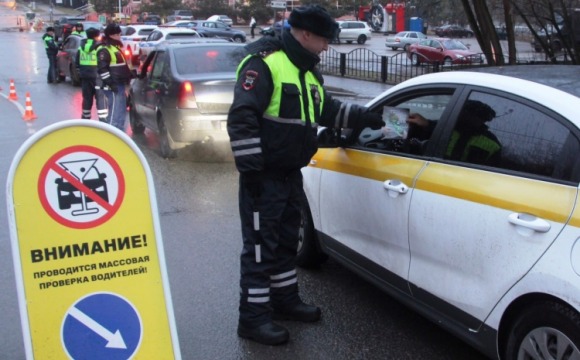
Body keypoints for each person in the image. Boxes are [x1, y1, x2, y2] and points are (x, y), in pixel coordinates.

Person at [227, 5, 384, 346]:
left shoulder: (307, 74)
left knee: (285, 242)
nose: (327, 47)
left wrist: (363, 116)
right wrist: (252, 171)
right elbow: (242, 118)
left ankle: (284, 301)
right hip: (263, 177)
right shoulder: (265, 64)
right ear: (306, 35)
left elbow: (327, 109)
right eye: (325, 40)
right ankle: (252, 320)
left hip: (288, 176)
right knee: (259, 249)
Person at [407, 99, 501, 165]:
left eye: (463, 113)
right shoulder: (445, 129)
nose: (459, 116)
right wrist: (426, 123)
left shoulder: (492, 144)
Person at [97, 23, 133, 131]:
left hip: (118, 85)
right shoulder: (105, 49)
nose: (119, 37)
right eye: (118, 35)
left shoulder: (115, 48)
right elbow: (102, 69)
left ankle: (119, 135)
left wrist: (131, 75)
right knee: (114, 115)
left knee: (120, 113)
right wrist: (110, 83)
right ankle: (111, 136)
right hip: (113, 85)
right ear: (111, 35)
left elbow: (121, 67)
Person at [76, 27, 107, 122]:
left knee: (87, 98)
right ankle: (103, 119)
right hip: (97, 77)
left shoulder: (81, 47)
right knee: (100, 98)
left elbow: (77, 62)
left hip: (85, 76)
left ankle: (85, 118)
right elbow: (103, 62)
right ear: (97, 36)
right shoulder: (99, 47)